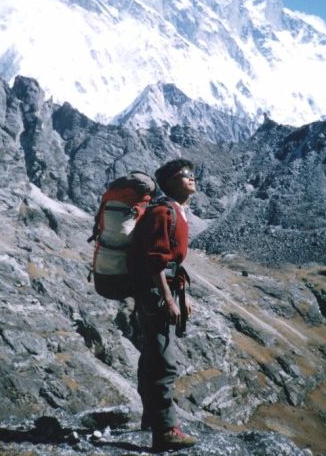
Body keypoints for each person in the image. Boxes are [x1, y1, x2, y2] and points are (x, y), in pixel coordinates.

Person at [128, 158, 198, 452]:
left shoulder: (175, 211)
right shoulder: (163, 212)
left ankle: (151, 417)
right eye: (185, 175)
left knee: (153, 354)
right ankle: (165, 430)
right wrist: (169, 299)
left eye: (193, 174)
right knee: (164, 360)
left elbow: (171, 261)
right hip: (156, 294)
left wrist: (182, 295)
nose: (192, 179)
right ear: (169, 181)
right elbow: (156, 260)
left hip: (160, 290)